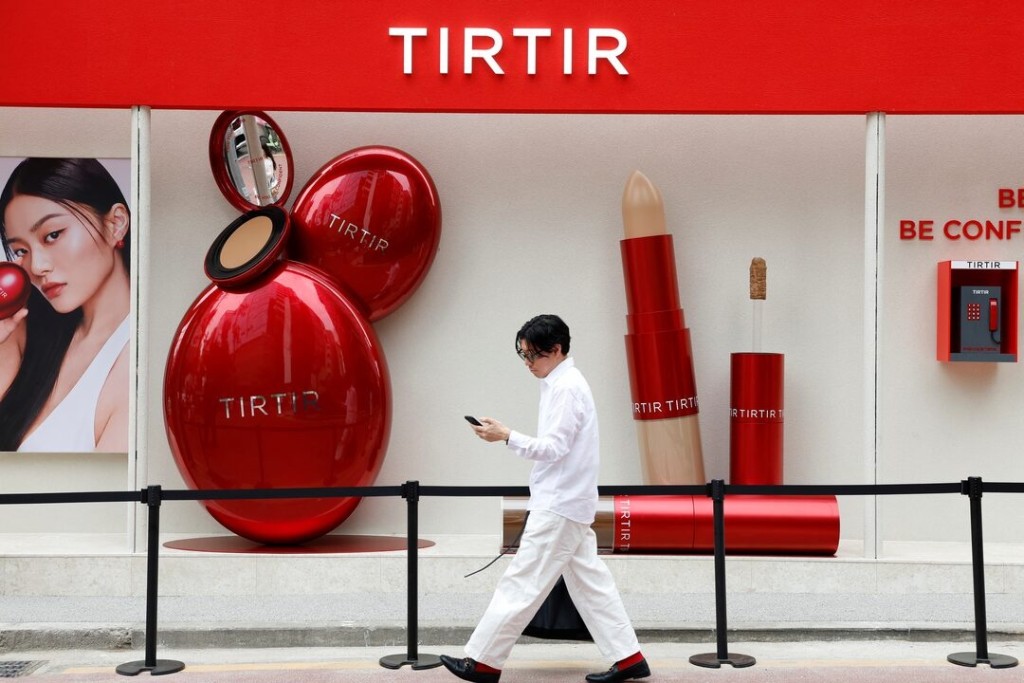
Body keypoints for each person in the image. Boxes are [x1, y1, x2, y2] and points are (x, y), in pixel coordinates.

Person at [441, 314, 650, 683]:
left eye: (531, 355)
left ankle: (483, 662)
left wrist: (506, 435)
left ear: (555, 350)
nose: (526, 363)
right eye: (522, 354)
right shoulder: (562, 382)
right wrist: (506, 436)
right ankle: (629, 657)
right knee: (591, 585)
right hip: (568, 501)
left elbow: (554, 448)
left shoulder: (566, 387)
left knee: (522, 582)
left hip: (559, 504)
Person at [0, 158, 131, 453]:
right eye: (21, 250)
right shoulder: (26, 338)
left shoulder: (136, 362)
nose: (37, 266)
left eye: (53, 235)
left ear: (116, 224)